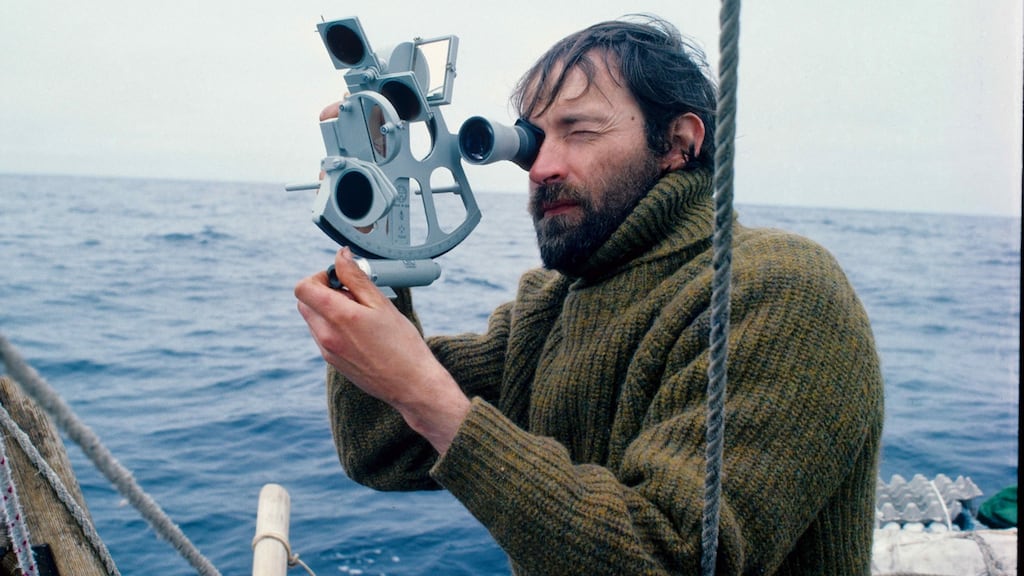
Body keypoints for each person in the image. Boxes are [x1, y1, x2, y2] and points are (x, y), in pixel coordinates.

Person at [295, 15, 884, 575]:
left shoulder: (779, 290)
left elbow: (673, 557)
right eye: (531, 140)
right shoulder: (550, 306)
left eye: (579, 130)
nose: (541, 167)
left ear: (677, 142)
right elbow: (379, 446)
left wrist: (426, 395)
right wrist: (374, 238)